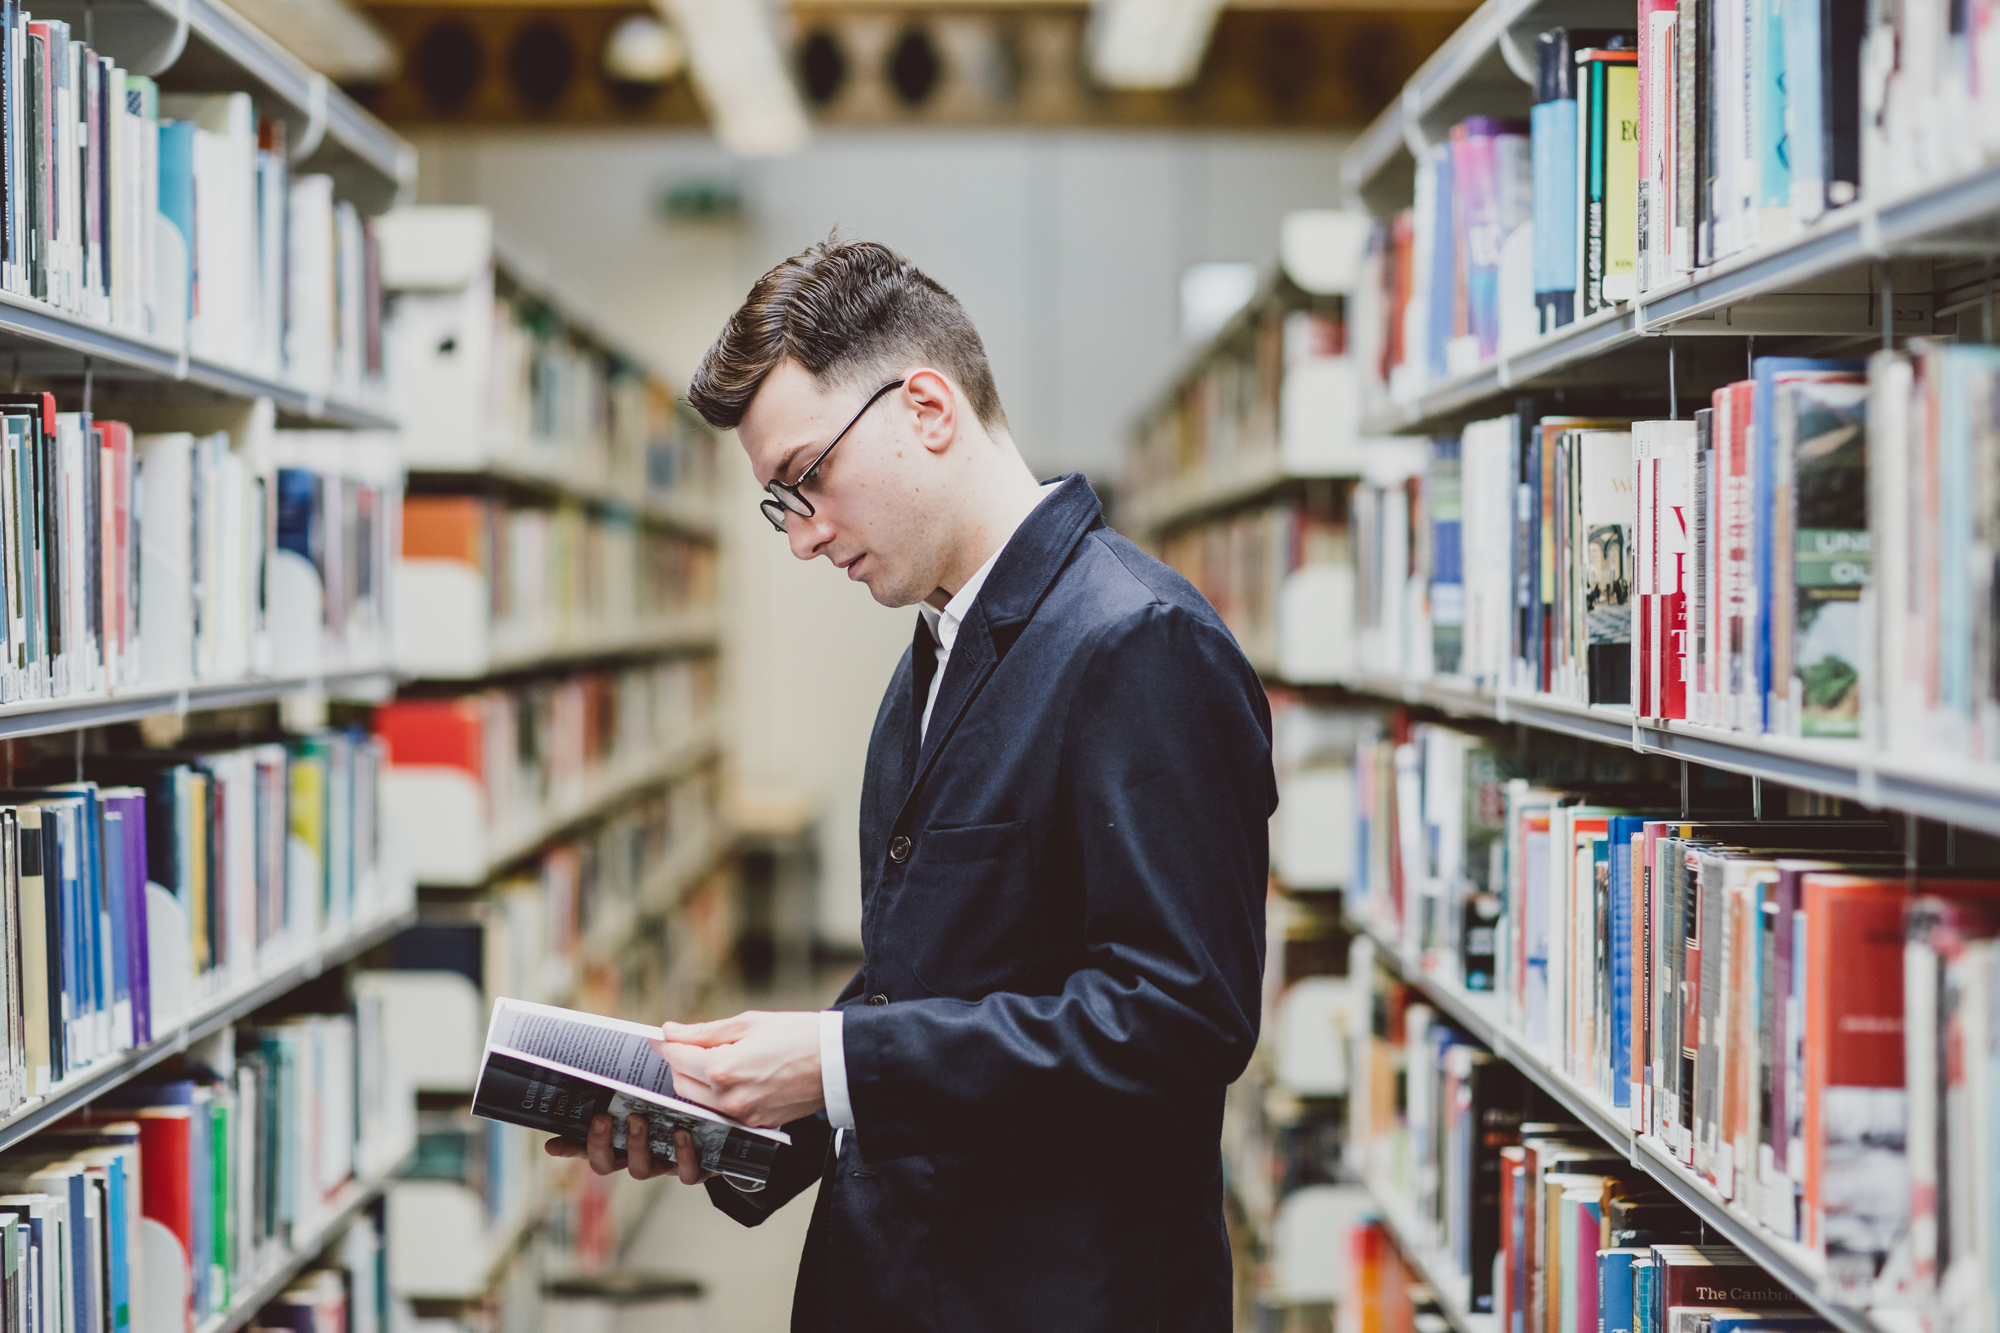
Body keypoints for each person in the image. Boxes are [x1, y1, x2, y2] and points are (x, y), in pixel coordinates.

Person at [545, 236, 1276, 1331]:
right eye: (779, 503)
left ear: (927, 408)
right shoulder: (935, 649)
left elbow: (1178, 1017)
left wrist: (835, 1061)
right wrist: (735, 1115)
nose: (802, 539)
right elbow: (940, 980)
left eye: (807, 479)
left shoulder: (1139, 641)